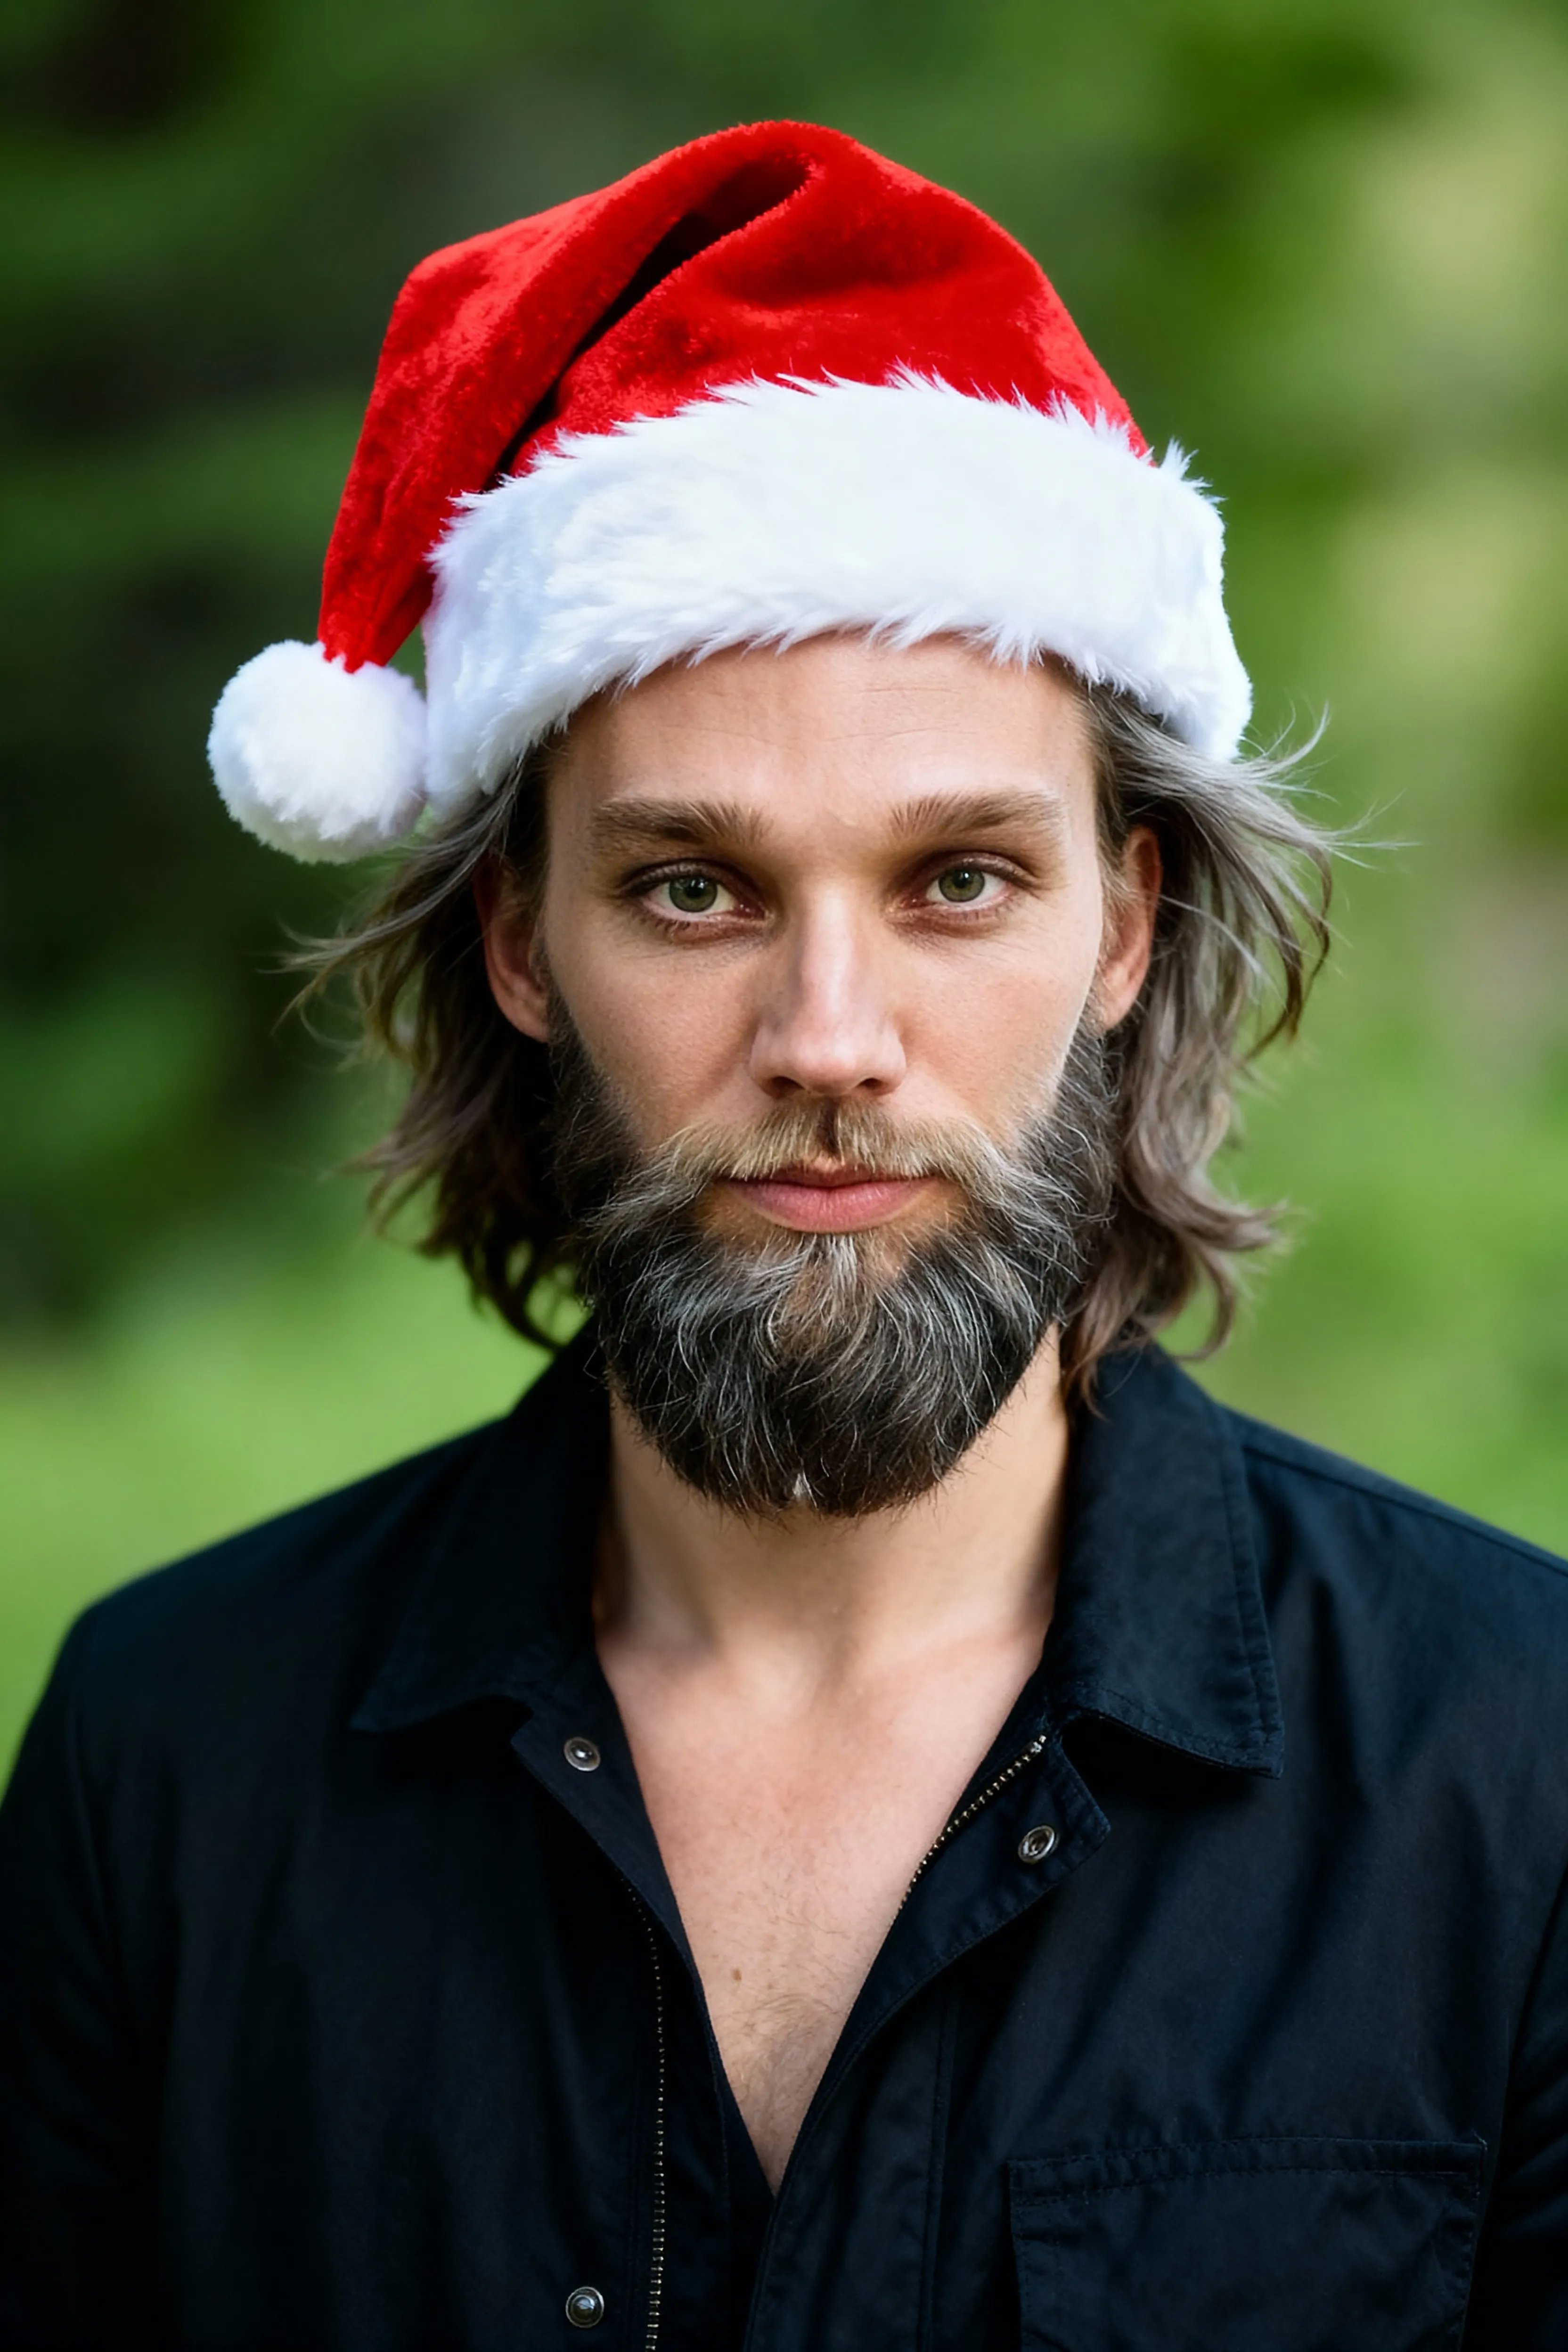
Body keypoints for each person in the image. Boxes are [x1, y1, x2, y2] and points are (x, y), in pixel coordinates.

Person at [1, 118, 1564, 2352]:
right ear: (522, 945)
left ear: (1122, 929)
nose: (830, 1039)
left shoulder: (1513, 1773)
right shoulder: (170, 1763)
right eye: (691, 889)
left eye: (956, 881)